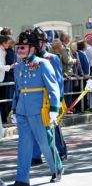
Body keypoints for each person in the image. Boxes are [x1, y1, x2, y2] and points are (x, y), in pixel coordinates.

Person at [10, 30, 63, 186]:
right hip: (22, 111)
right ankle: (22, 179)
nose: (19, 51)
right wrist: (14, 109)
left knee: (45, 141)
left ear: (32, 48)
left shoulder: (43, 63)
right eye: (18, 47)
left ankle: (56, 169)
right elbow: (17, 89)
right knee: (24, 144)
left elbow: (53, 87)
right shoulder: (18, 66)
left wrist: (54, 109)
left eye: (23, 48)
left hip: (39, 110)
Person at [31, 27, 68, 165]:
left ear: (44, 42)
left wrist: (57, 101)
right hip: (35, 100)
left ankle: (61, 150)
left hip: (50, 98)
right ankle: (36, 155)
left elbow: (58, 81)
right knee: (35, 127)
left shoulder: (52, 58)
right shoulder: (28, 60)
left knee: (54, 126)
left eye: (38, 41)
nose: (35, 44)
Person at [0, 35, 15, 123]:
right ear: (3, 43)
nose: (9, 44)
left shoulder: (3, 51)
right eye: (8, 43)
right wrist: (10, 67)